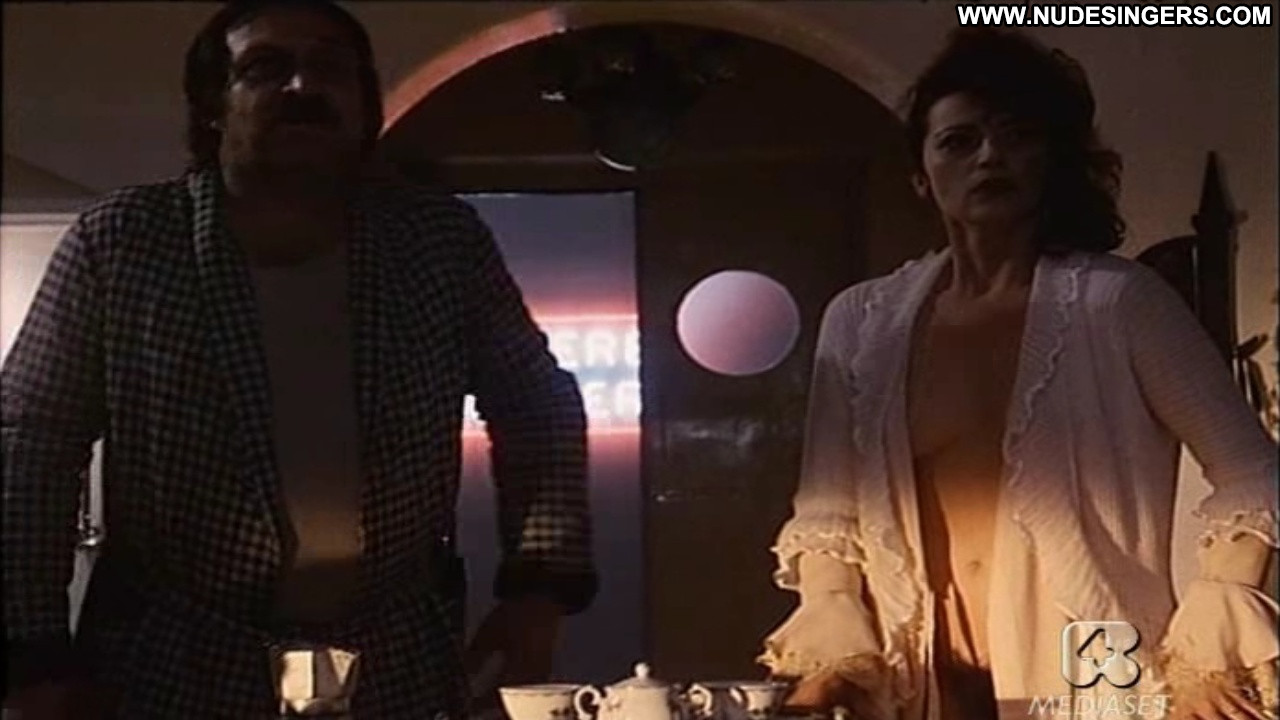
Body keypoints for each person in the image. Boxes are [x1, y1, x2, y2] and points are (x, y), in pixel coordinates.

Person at [1, 1, 596, 717]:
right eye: (265, 68)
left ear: (363, 102)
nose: (302, 87)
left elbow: (536, 402)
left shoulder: (437, 243)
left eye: (329, 68)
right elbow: (31, 440)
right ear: (213, 105)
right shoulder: (125, 243)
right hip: (172, 656)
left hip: (392, 653)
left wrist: (538, 593)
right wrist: (33, 653)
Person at [757, 29, 1277, 720]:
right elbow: (828, 512)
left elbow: (1255, 473)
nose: (989, 157)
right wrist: (833, 659)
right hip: (922, 675)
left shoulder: (1118, 303)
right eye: (959, 141)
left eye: (1017, 136)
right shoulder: (860, 322)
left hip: (1093, 670)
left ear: (1053, 160)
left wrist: (1209, 653)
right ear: (921, 174)